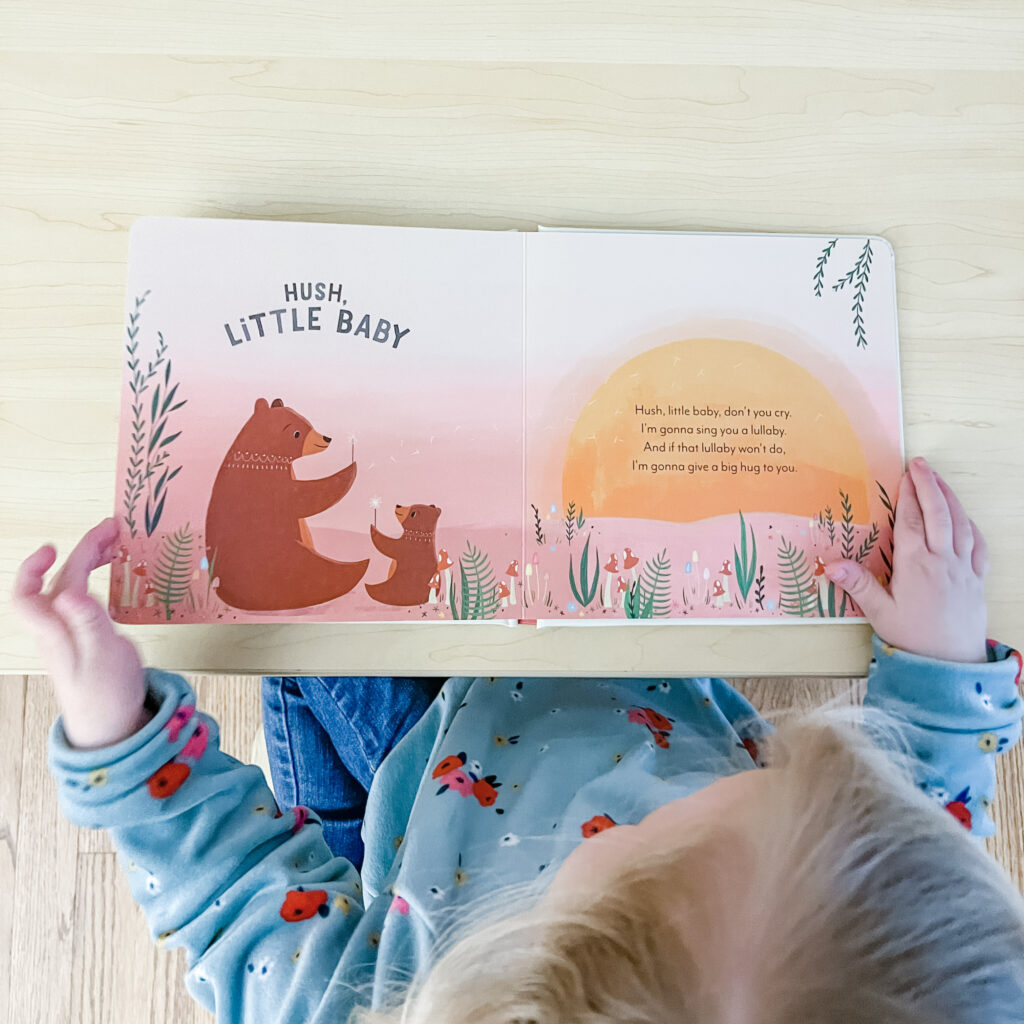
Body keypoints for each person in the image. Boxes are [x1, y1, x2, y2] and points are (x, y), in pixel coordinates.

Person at [12, 455, 1024, 1023]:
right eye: (785, 771)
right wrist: (935, 669)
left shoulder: (384, 1003)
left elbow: (230, 900)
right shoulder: (875, 938)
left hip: (407, 798)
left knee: (294, 616)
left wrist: (125, 736)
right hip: (613, 678)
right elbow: (917, 822)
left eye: (647, 819)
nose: (786, 759)